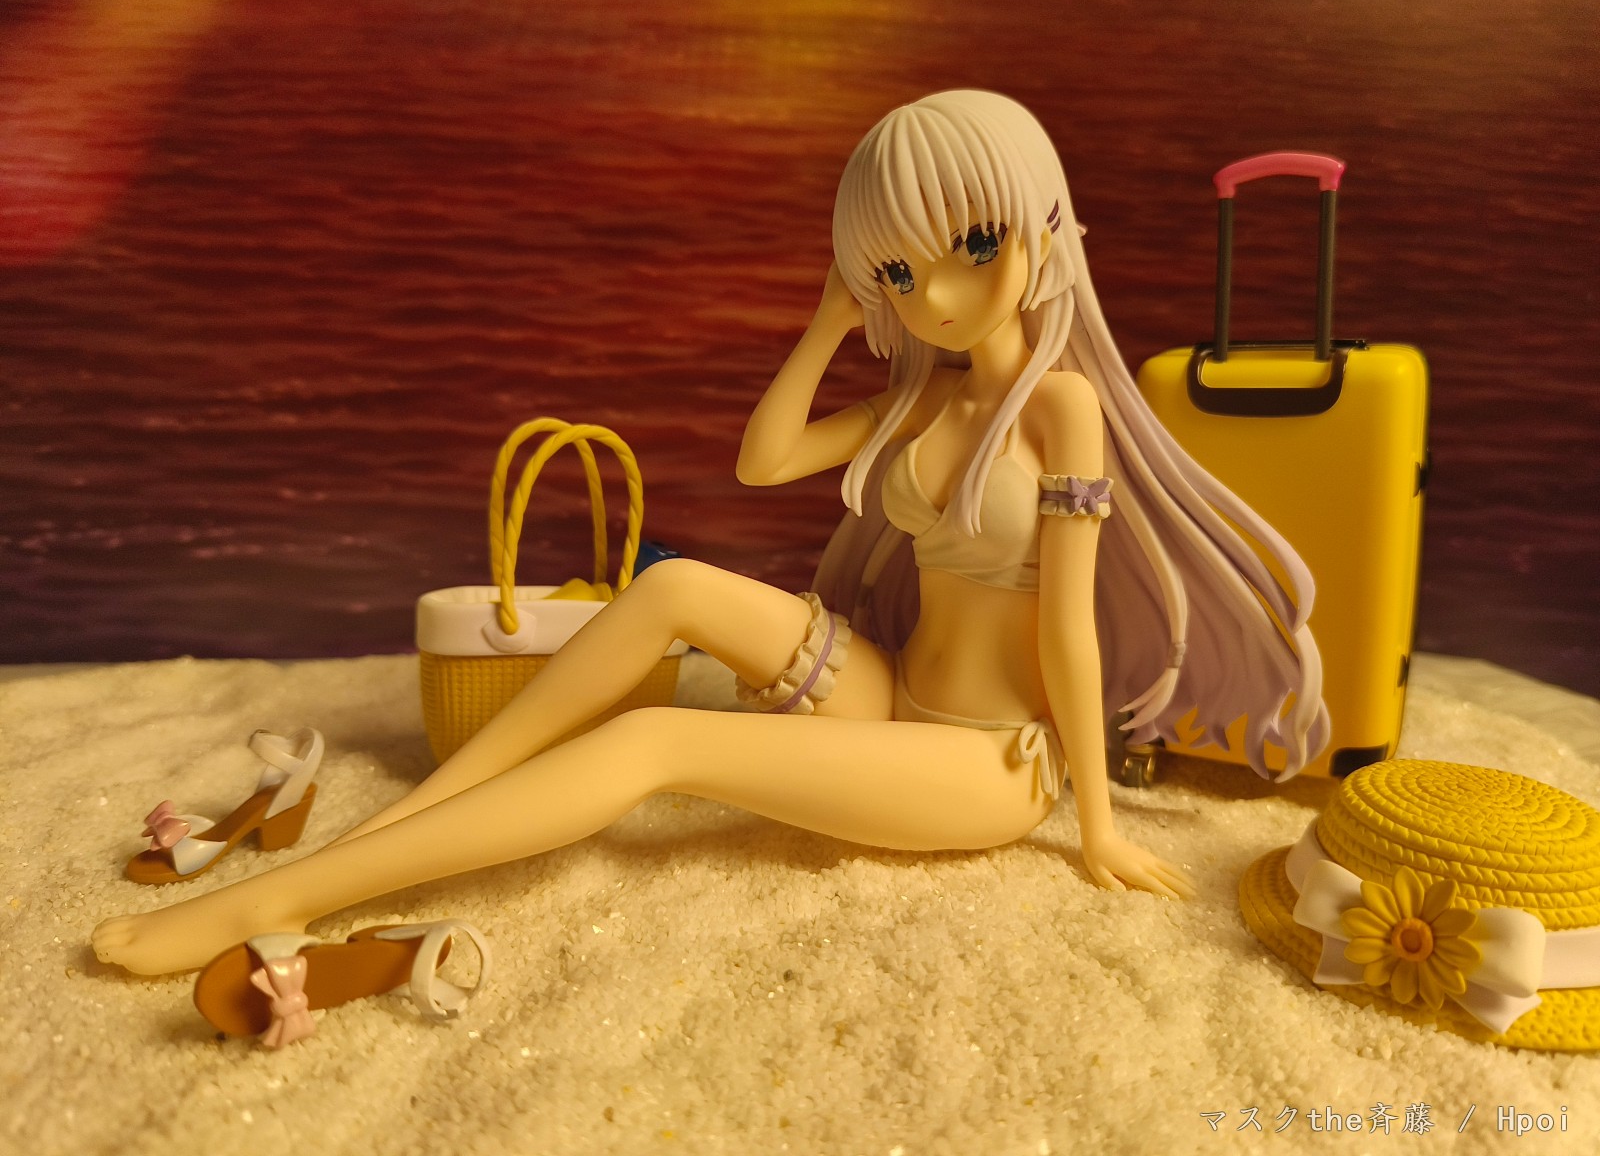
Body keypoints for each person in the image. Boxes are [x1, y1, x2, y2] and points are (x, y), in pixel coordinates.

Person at [94, 90, 1326, 977]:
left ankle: (281, 901)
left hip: (983, 763)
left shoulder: (1061, 410)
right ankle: (402, 827)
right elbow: (765, 460)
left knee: (655, 741)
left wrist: (1094, 821)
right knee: (670, 587)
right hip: (891, 691)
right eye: (901, 275)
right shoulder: (919, 398)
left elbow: (1068, 633)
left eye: (971, 247)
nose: (938, 296)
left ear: (1041, 227)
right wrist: (832, 319)